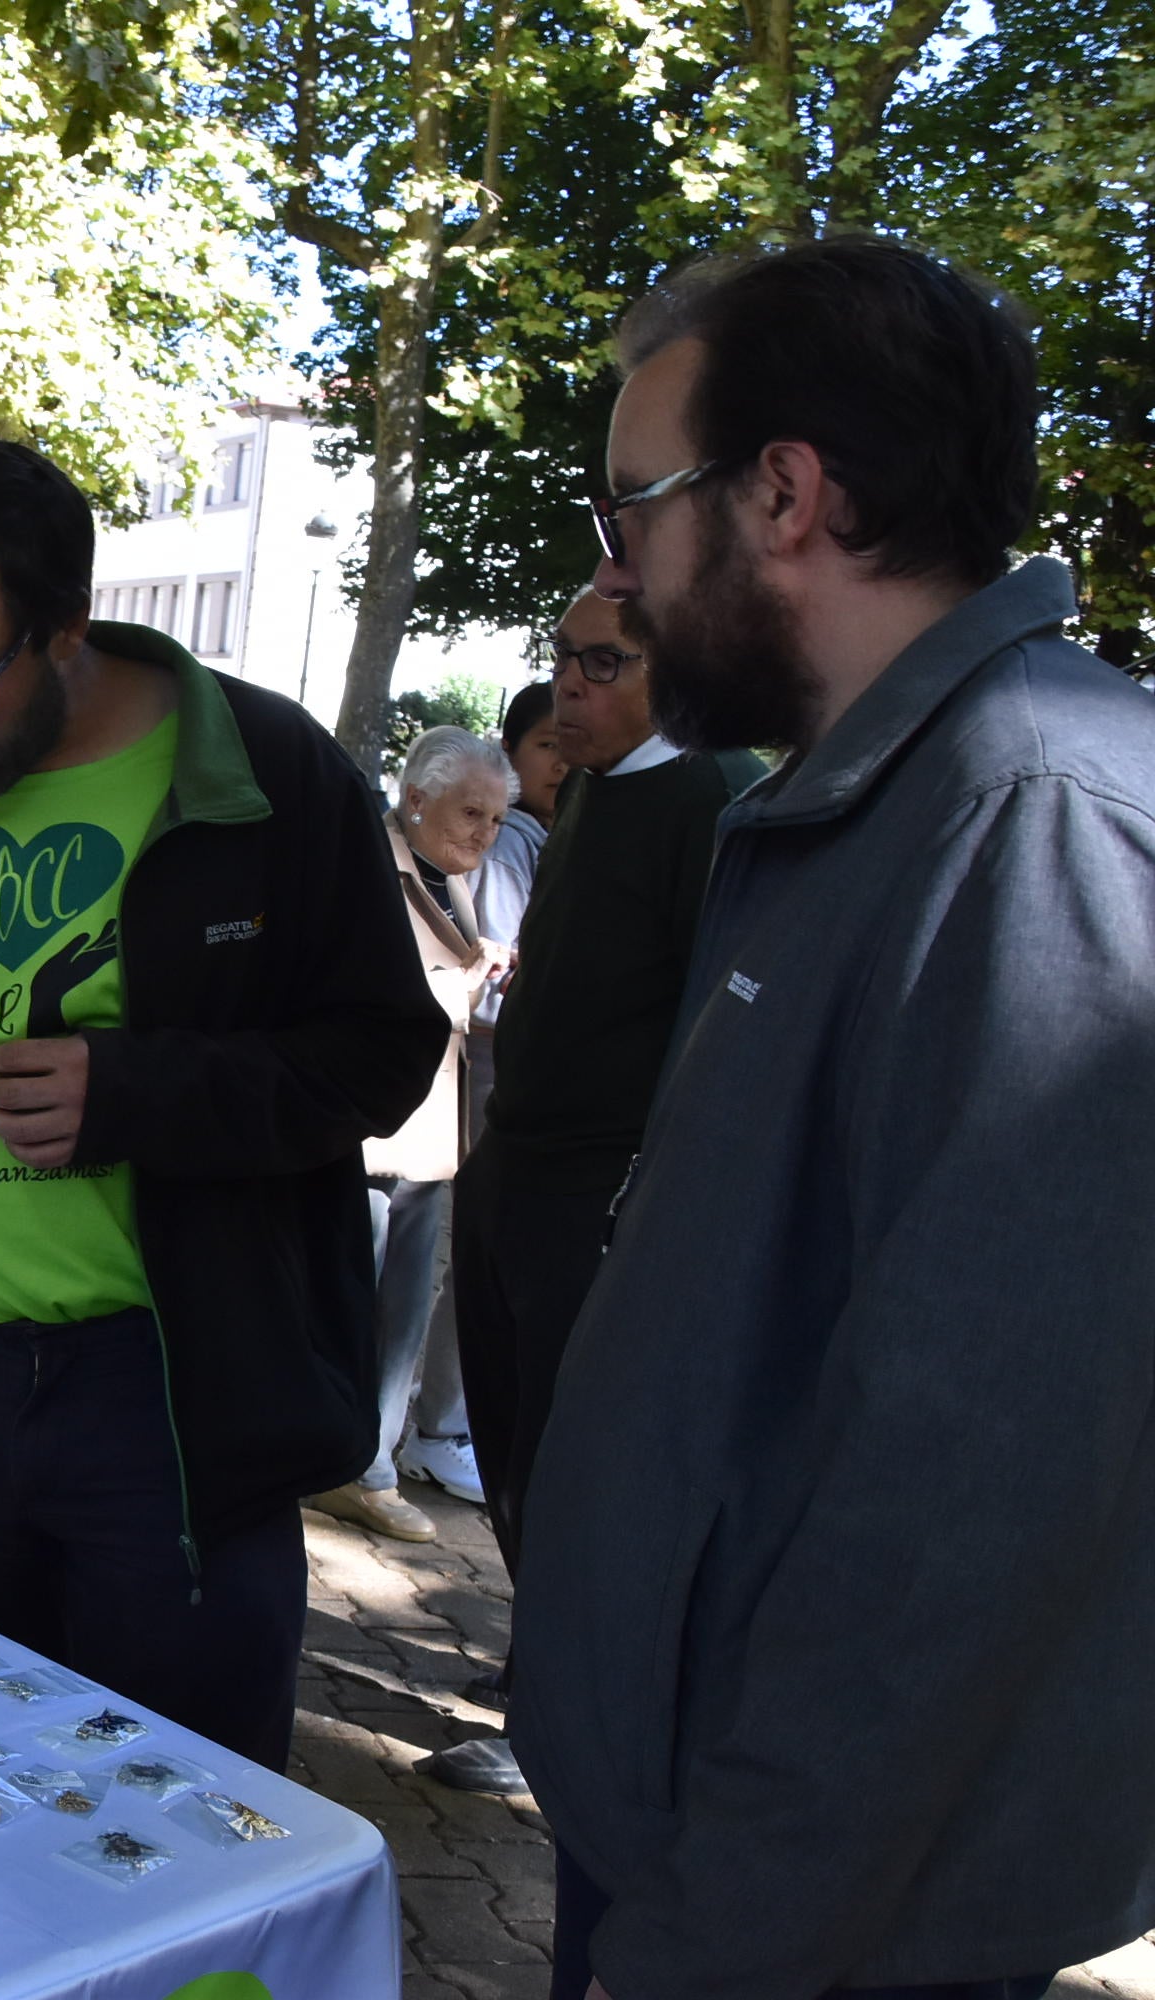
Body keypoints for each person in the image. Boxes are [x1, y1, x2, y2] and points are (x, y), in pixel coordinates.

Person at [516, 238, 1155, 2000]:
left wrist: (721, 1942)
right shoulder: (872, 795)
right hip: (685, 1835)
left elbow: (964, 1522)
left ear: (784, 493)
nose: (614, 570)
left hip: (793, 1924)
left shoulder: (1035, 822)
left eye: (629, 505)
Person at [0, 440, 444, 1771]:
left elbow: (386, 1054)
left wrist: (141, 1093)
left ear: (66, 632)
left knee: (172, 1810)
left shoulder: (270, 772)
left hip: (171, 1403)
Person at [426, 586, 761, 1795]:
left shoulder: (712, 797)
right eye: (561, 657)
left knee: (577, 1466)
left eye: (601, 660)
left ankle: (573, 1723)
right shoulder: (600, 789)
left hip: (602, 1194)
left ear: (682, 667)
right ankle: (548, 1676)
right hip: (514, 1164)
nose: (567, 682)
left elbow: (716, 1016)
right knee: (513, 1450)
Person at [307, 726, 510, 1543]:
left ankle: (370, 1460)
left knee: (403, 1308)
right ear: (416, 799)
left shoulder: (452, 874)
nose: (484, 834)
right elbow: (353, 982)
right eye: (472, 812)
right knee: (360, 1295)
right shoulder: (366, 863)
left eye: (496, 819)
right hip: (371, 1129)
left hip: (427, 1131)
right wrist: (464, 979)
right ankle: (350, 1463)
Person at [474, 679, 566, 948]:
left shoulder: (549, 837)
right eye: (548, 745)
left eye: (573, 746)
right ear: (508, 750)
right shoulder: (504, 845)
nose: (563, 764)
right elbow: (494, 967)